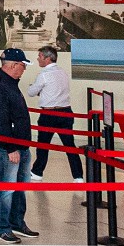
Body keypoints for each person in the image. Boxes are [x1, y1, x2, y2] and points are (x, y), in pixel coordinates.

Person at [0, 48, 38, 243]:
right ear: (13, 65)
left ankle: (17, 222)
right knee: (6, 188)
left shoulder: (10, 84)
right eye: (23, 66)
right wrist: (10, 148)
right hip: (9, 147)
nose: (24, 70)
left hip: (20, 145)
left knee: (20, 186)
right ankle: (3, 228)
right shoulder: (0, 87)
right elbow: (0, 122)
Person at [26, 45, 84, 183]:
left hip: (49, 114)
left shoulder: (43, 75)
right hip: (66, 112)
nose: (38, 58)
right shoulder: (63, 72)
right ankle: (78, 176)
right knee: (70, 146)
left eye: (40, 56)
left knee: (43, 145)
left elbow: (31, 92)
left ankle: (37, 172)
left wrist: (36, 89)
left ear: (47, 58)